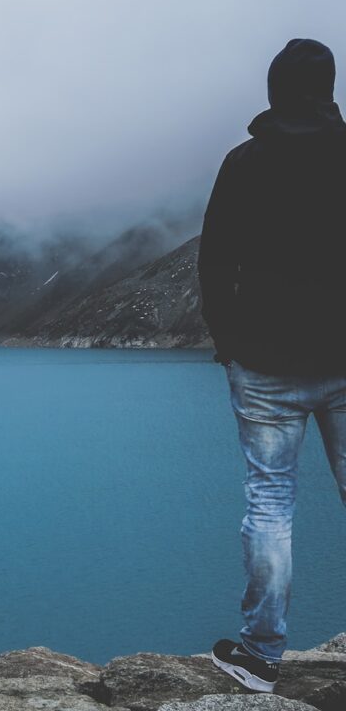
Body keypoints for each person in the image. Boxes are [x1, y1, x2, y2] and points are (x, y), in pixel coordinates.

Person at [198, 37, 346, 693]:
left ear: (274, 89)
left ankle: (260, 655)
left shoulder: (244, 163)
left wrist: (228, 343)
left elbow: (213, 261)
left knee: (270, 504)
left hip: (261, 365)